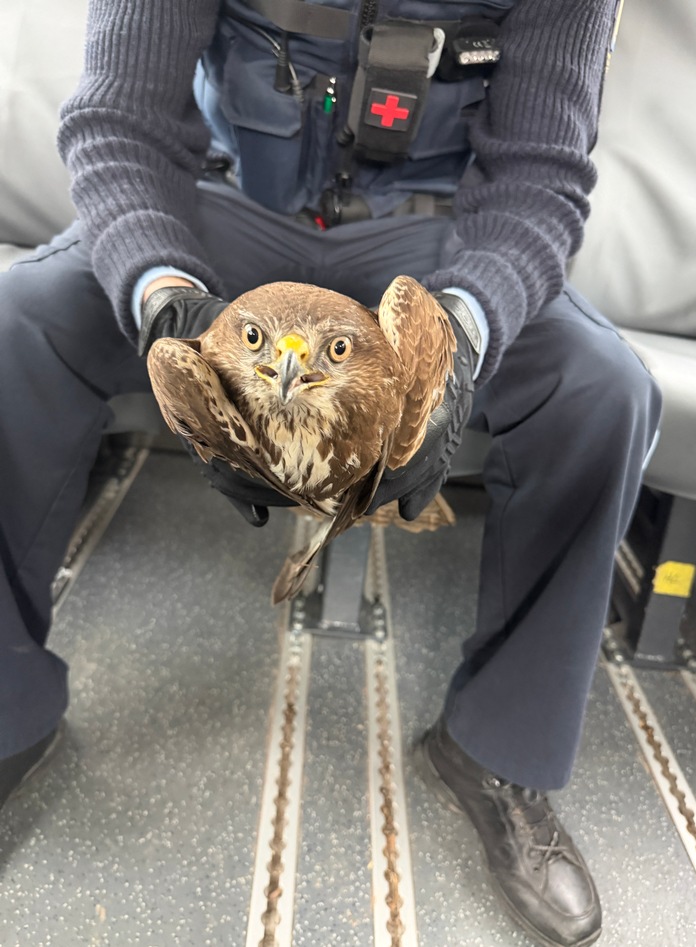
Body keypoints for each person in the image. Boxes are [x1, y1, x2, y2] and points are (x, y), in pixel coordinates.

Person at [0, 0, 661, 944]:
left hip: (429, 250)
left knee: (606, 393)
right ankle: (5, 705)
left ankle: (497, 750)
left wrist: (454, 342)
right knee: (15, 326)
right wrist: (171, 310)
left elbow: (538, 180)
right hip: (225, 215)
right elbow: (121, 125)